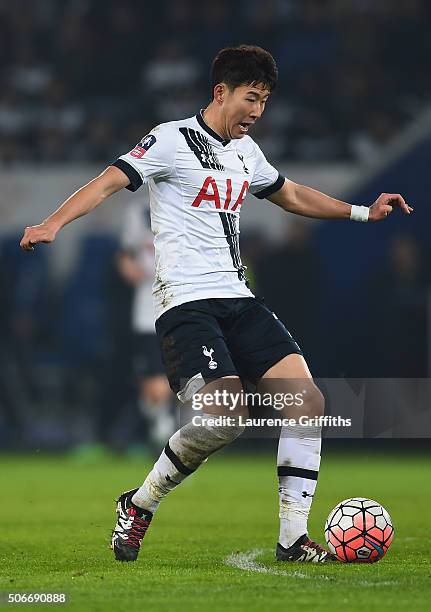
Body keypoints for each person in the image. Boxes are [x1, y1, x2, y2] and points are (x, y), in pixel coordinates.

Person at [20, 45, 412, 563]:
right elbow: (109, 181)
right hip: (186, 303)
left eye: (266, 101)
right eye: (251, 98)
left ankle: (293, 539)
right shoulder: (170, 139)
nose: (257, 111)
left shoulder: (247, 153)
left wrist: (363, 213)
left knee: (308, 402)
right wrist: (52, 223)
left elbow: (290, 195)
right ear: (220, 92)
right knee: (225, 419)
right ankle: (140, 504)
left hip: (239, 298)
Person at [117, 201, 175, 449]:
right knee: (152, 383)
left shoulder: (187, 204)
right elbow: (126, 257)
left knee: (170, 380)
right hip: (147, 313)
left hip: (180, 307)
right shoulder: (137, 212)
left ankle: (169, 434)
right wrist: (128, 267)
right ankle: (163, 433)